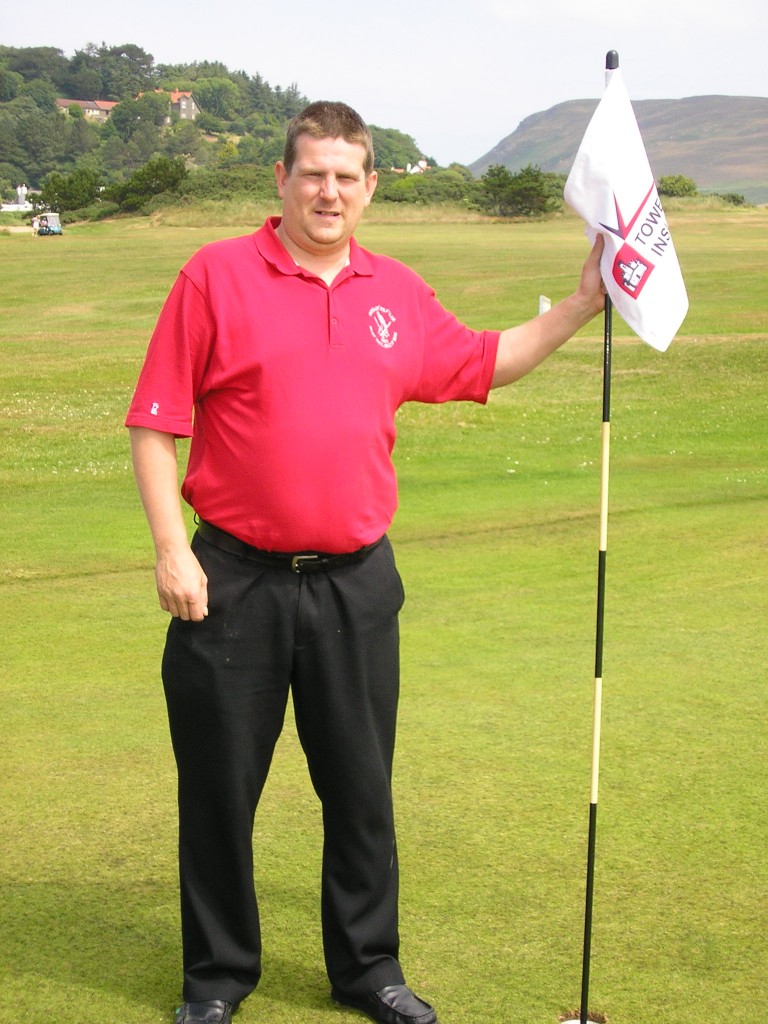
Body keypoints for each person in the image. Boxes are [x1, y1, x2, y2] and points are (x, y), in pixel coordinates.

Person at [126, 101, 605, 1024]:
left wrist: (584, 304)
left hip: (355, 584)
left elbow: (482, 361)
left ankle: (368, 970)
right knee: (220, 792)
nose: (329, 192)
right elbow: (156, 424)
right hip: (231, 583)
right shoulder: (216, 276)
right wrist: (170, 550)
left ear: (372, 186)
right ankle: (218, 978)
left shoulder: (396, 290)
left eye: (348, 176)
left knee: (359, 789)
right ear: (281, 179)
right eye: (313, 173)